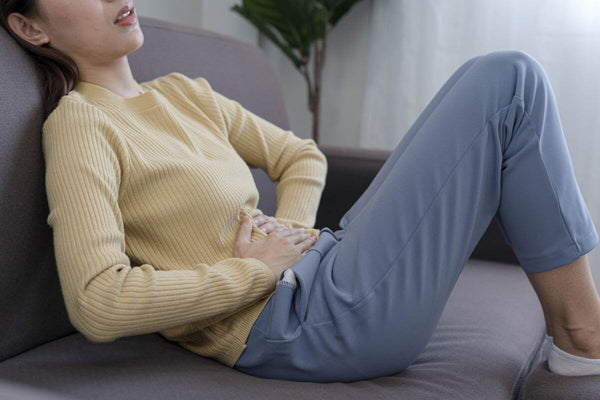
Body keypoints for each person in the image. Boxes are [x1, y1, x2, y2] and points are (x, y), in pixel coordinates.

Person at [3, 0, 600, 383]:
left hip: (320, 268)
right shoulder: (81, 123)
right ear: (30, 27)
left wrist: (286, 240)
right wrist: (258, 275)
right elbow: (98, 302)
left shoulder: (185, 94)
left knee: (505, 80)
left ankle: (581, 333)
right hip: (302, 322)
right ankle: (583, 336)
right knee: (507, 79)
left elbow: (301, 156)